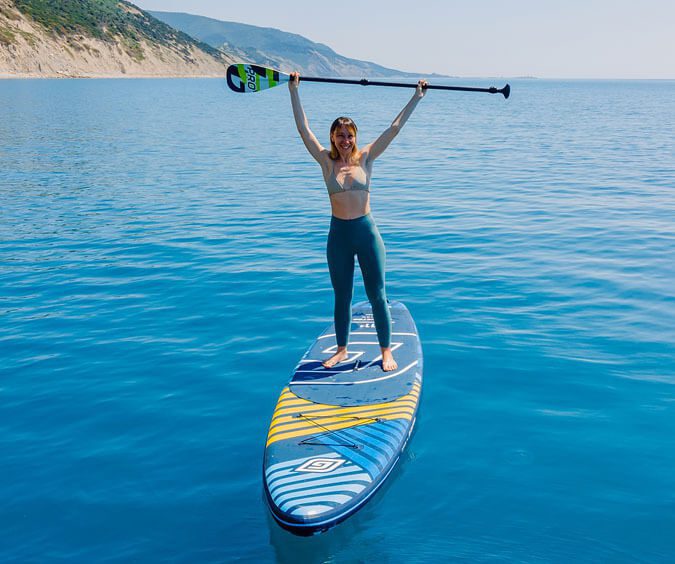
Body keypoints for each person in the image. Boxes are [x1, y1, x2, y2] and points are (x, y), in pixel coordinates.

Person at [289, 72, 427, 372]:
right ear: (333, 139)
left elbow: (394, 128)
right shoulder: (326, 162)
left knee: (377, 294)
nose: (345, 140)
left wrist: (416, 97)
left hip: (366, 233)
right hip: (339, 234)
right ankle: (341, 349)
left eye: (349, 135)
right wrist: (294, 90)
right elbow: (303, 129)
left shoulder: (367, 157)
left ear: (355, 137)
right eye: (340, 135)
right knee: (342, 295)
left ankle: (386, 351)